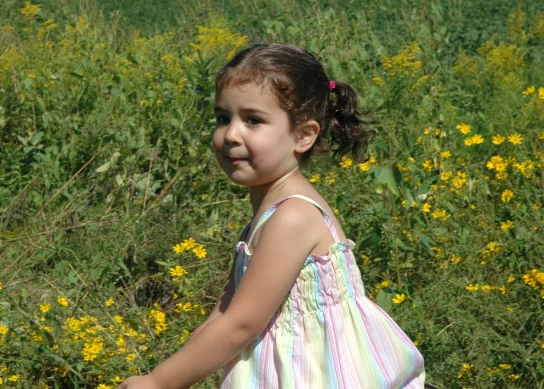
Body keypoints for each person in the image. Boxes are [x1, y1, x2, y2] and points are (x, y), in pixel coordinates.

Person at [120, 44, 426, 389]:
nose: (231, 134)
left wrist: (159, 382)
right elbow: (222, 315)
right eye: (223, 118)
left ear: (303, 135)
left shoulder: (292, 216)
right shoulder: (268, 215)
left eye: (253, 120)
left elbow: (240, 325)